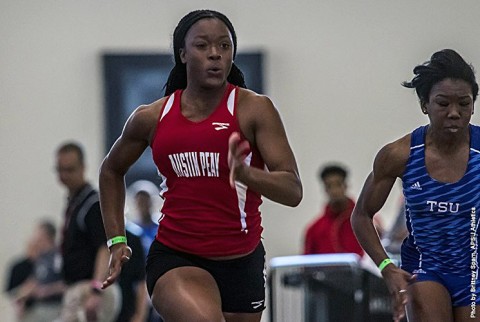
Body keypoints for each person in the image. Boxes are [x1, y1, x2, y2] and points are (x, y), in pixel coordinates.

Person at [98, 9, 302, 322]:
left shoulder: (254, 109)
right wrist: (116, 240)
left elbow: (292, 190)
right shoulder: (152, 117)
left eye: (224, 46)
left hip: (242, 260)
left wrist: (249, 175)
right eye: (203, 46)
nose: (215, 55)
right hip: (177, 256)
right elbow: (111, 170)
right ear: (182, 54)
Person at [351, 49, 480, 322]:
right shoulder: (400, 155)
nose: (454, 113)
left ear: (473, 105)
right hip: (424, 268)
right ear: (425, 105)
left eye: (464, 104)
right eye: (443, 103)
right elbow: (362, 215)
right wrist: (386, 266)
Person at [54, 142, 121, 322]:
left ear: (83, 167)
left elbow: (104, 248)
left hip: (90, 290)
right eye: (60, 170)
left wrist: (96, 289)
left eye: (69, 170)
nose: (64, 175)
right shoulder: (76, 203)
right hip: (77, 288)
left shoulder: (92, 205)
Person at [6, 220, 64, 322]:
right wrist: (22, 296)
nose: (34, 238)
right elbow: (35, 280)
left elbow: (67, 283)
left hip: (55, 307)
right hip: (39, 306)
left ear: (44, 236)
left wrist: (47, 290)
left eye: (37, 235)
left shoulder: (58, 257)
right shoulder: (40, 258)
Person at [303, 163, 365, 257]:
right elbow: (307, 265)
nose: (334, 191)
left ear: (346, 186)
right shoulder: (314, 230)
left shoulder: (368, 221)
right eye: (329, 186)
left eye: (338, 184)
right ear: (325, 189)